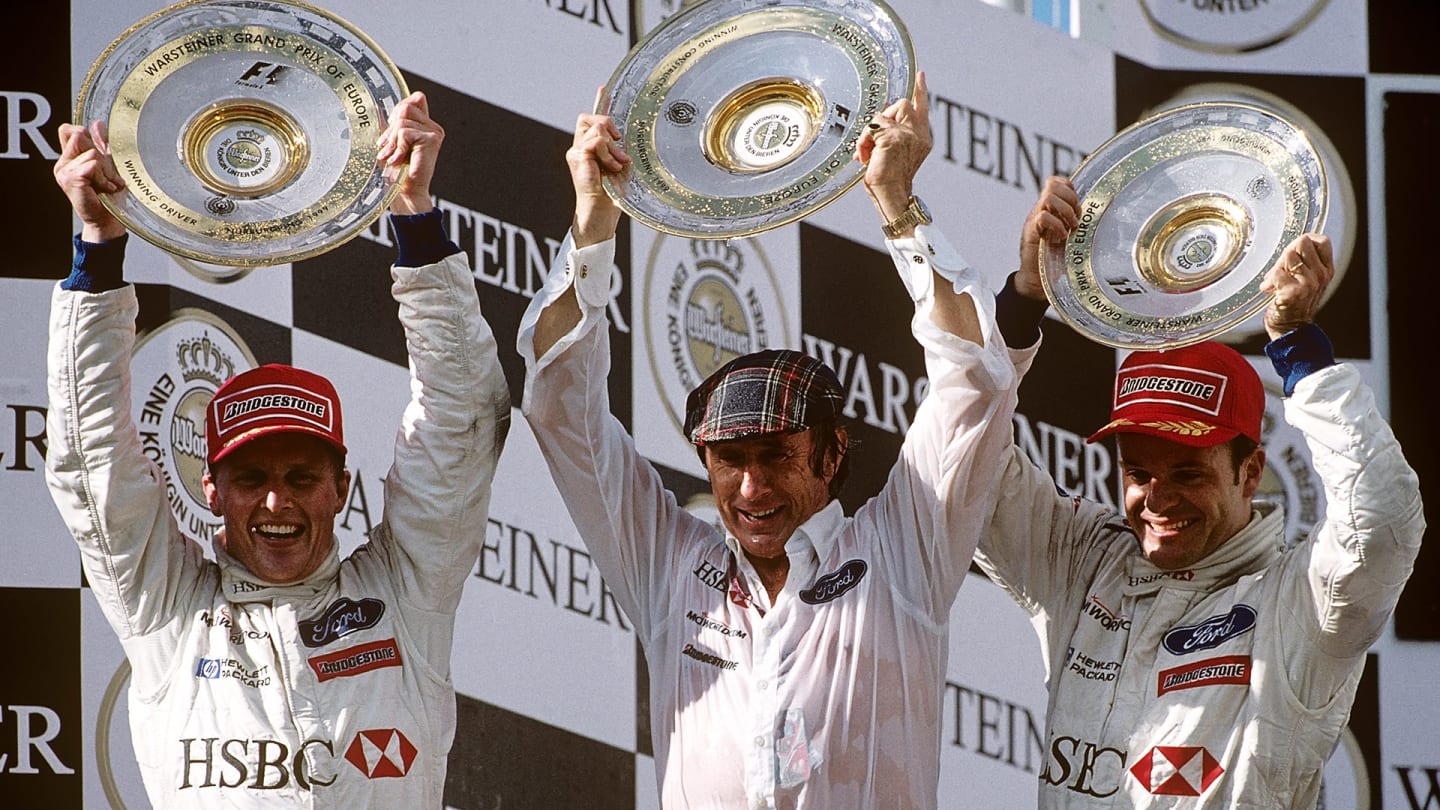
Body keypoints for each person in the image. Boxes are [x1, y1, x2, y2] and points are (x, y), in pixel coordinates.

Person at [517, 72, 1018, 807]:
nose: (750, 490)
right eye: (729, 461)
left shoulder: (903, 547)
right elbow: (559, 405)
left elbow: (975, 378)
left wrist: (899, 205)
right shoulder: (669, 564)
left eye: (776, 457)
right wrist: (592, 225)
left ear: (832, 456)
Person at [45, 92, 510, 807]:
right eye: (251, 477)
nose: (276, 501)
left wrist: (414, 211)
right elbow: (89, 459)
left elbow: (464, 418)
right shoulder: (167, 609)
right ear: (211, 491)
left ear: (341, 488)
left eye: (301, 475)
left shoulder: (403, 595)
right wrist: (98, 246)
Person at [976, 175, 1426, 807]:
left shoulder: (1297, 605)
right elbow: (963, 461)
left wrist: (1297, 344)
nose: (1157, 499)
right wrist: (1023, 299)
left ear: (1250, 471)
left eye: (1189, 473)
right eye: (1139, 472)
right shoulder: (1084, 562)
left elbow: (1383, 520)